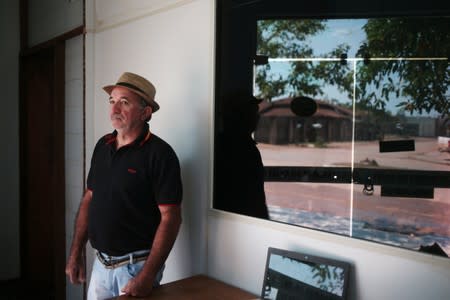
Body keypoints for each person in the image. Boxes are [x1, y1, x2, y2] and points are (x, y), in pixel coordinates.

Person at [65, 72, 183, 299]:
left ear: (145, 112)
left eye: (124, 102)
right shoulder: (103, 145)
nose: (114, 109)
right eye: (112, 101)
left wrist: (147, 275)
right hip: (100, 265)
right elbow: (90, 198)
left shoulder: (160, 155)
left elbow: (171, 217)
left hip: (135, 269)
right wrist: (76, 252)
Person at [214, 91, 269, 219]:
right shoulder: (236, 149)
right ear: (239, 116)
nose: (257, 117)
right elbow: (251, 198)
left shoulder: (244, 146)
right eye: (253, 113)